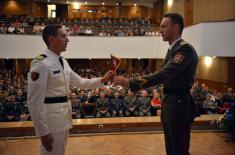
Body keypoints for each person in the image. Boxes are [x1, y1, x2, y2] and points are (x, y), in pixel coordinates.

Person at [114, 13, 199, 155]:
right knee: (171, 148)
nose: (160, 30)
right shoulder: (173, 49)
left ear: (175, 27)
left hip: (179, 105)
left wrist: (131, 82)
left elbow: (164, 74)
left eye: (164, 26)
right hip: (171, 103)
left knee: (179, 149)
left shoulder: (184, 49)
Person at [27, 24, 114, 155]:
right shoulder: (41, 63)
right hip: (51, 120)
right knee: (51, 152)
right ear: (51, 39)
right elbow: (34, 101)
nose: (67, 40)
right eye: (63, 36)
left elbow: (80, 82)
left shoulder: (62, 61)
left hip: (63, 117)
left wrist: (103, 79)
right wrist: (42, 132)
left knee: (59, 151)